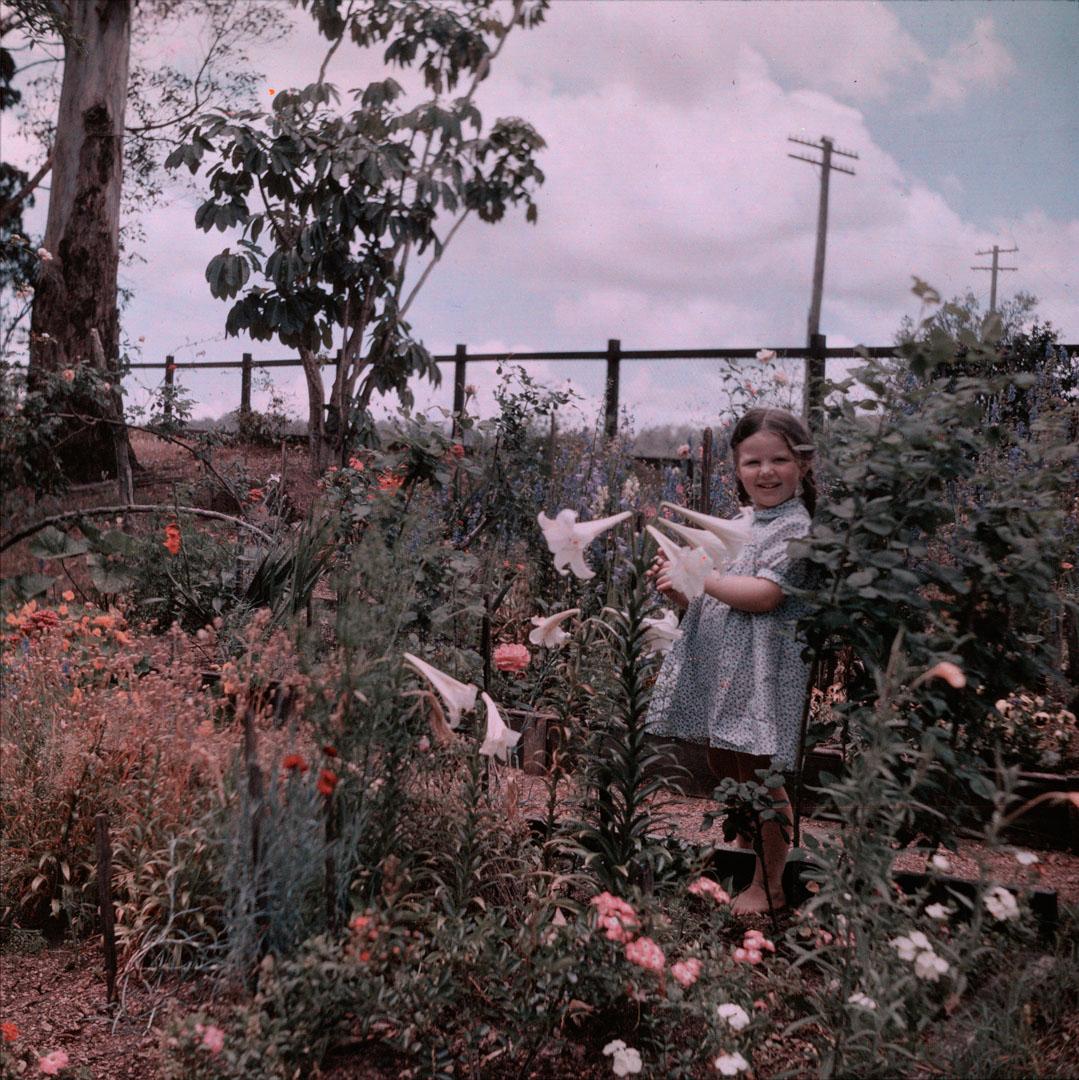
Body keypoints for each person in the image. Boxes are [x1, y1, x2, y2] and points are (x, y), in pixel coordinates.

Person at [646, 407, 817, 916]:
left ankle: (771, 886)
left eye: (779, 460)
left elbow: (764, 595)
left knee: (763, 774)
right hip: (726, 665)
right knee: (724, 760)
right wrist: (682, 588)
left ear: (802, 465)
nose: (766, 472)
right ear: (737, 469)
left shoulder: (797, 528)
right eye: (752, 462)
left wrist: (699, 577)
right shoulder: (744, 522)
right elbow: (714, 598)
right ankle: (750, 840)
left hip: (764, 673)